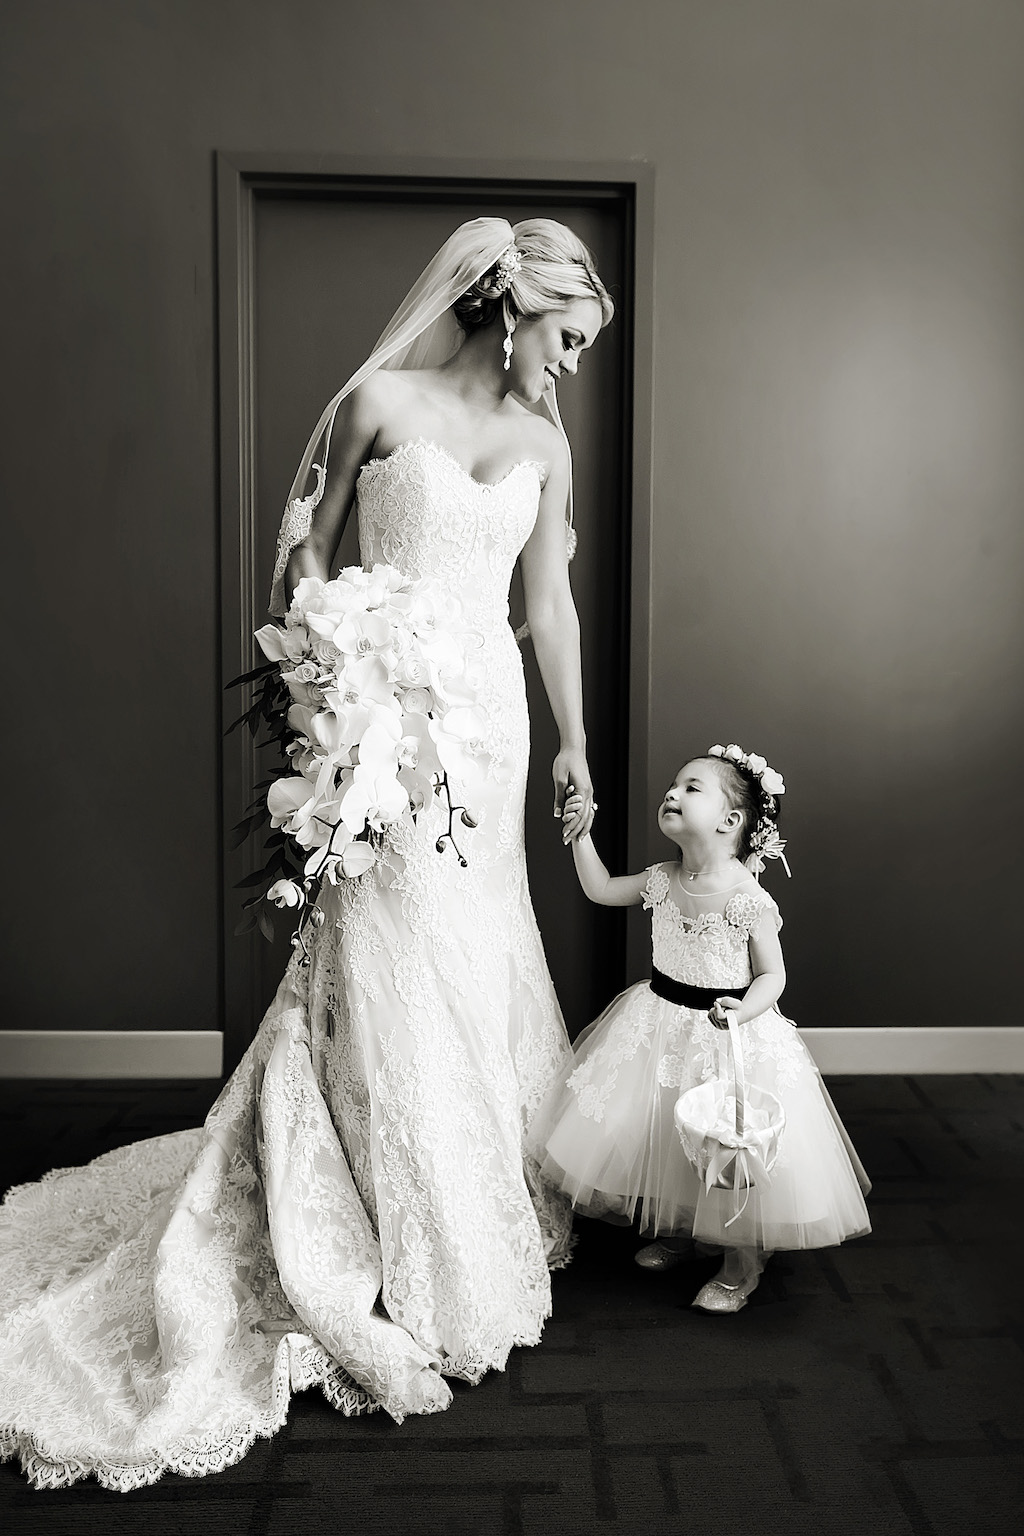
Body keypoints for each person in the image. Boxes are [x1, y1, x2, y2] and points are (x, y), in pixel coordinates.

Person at [0, 217, 613, 1489]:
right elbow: (307, 546)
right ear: (509, 309)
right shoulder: (375, 400)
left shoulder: (547, 444)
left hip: (486, 739)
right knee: (390, 957)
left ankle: (459, 1204)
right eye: (564, 340)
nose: (568, 369)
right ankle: (388, 1230)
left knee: (475, 949)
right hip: (381, 724)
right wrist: (329, 677)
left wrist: (573, 743)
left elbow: (544, 600)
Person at [530, 744, 871, 1314]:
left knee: (724, 1142)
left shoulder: (747, 898)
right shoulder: (662, 878)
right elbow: (601, 889)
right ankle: (682, 1232)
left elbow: (773, 975)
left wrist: (741, 1011)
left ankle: (741, 1262)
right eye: (673, 785)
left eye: (691, 788)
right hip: (659, 1022)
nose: (672, 792)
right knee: (665, 1133)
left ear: (730, 820)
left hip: (725, 1033)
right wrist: (580, 834)